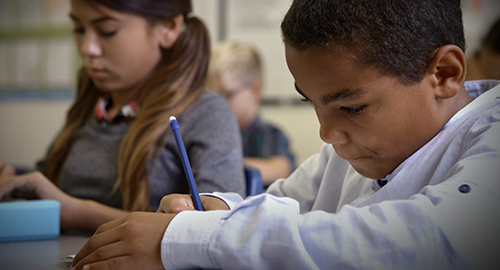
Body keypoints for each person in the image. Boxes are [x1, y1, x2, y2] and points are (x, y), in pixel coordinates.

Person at [70, 0, 500, 269]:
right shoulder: (347, 152)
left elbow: (415, 241)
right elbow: (285, 201)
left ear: (444, 74)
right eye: (310, 102)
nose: (327, 132)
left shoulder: (490, 141)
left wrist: (189, 238)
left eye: (352, 107)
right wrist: (215, 207)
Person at [0, 0, 245, 233]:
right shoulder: (92, 105)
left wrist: (78, 213)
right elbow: (48, 187)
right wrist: (15, 186)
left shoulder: (206, 112)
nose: (87, 48)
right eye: (78, 29)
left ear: (168, 28)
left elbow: (217, 228)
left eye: (107, 31)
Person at [207, 40, 296, 186]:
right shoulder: (210, 134)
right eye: (212, 96)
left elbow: (280, 169)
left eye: (226, 95)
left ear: (255, 90)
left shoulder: (268, 134)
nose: (216, 105)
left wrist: (221, 165)